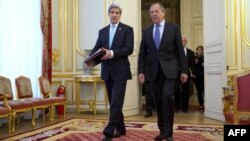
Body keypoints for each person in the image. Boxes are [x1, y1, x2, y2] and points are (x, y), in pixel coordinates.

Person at [138, 2, 188, 141]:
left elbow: (180, 51)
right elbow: (142, 53)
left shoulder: (173, 28)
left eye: (156, 11)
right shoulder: (146, 31)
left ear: (163, 12)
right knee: (157, 102)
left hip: (170, 71)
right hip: (153, 72)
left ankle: (169, 133)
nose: (154, 14)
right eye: (151, 12)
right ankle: (162, 131)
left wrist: (184, 71)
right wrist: (141, 72)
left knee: (167, 97)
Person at [89, 3, 134, 141]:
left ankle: (109, 132)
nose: (114, 14)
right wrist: (89, 61)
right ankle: (121, 127)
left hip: (121, 72)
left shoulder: (127, 29)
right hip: (107, 72)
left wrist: (112, 53)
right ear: (108, 14)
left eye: (117, 12)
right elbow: (97, 48)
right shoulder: (102, 31)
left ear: (120, 14)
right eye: (112, 12)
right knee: (115, 102)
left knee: (115, 102)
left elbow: (129, 49)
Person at [174, 35, 196, 113]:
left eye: (183, 40)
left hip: (186, 75)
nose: (182, 41)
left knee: (185, 91)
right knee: (176, 91)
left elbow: (192, 65)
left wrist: (193, 73)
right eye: (181, 40)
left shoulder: (191, 53)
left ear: (186, 42)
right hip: (176, 75)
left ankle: (185, 108)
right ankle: (176, 107)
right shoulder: (174, 51)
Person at [193, 45, 204, 110]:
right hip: (196, 77)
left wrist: (205, 65)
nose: (200, 51)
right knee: (199, 90)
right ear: (196, 51)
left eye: (201, 50)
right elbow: (191, 66)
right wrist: (195, 63)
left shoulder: (205, 58)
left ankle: (207, 104)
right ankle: (201, 104)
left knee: (204, 90)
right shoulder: (194, 58)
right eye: (198, 50)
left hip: (203, 77)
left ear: (203, 51)